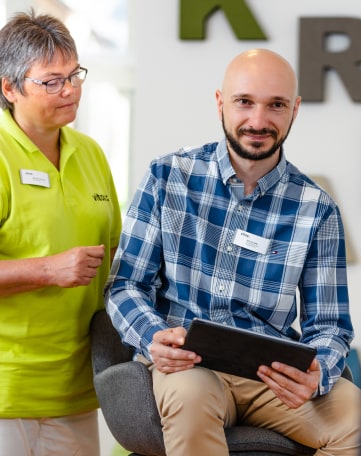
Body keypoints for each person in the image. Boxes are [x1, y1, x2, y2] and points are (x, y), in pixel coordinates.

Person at [106, 49, 360, 455]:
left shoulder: (318, 208)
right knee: (190, 398)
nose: (258, 122)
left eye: (275, 105)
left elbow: (330, 324)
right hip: (188, 366)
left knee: (354, 416)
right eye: (244, 102)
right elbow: (125, 285)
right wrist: (153, 336)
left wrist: (319, 373)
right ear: (220, 102)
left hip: (270, 378)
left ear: (294, 110)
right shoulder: (167, 177)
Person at [0, 9, 121, 456]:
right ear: (9, 87)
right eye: (51, 81)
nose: (70, 90)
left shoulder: (90, 154)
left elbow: (115, 257)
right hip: (8, 393)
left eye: (74, 75)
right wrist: (47, 269)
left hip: (77, 390)